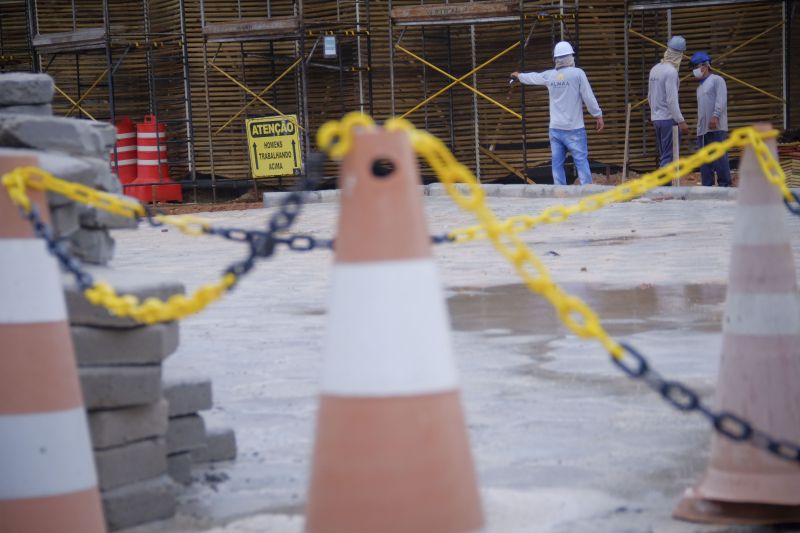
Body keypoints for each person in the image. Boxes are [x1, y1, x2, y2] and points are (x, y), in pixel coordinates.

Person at [510, 41, 604, 185]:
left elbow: (533, 77)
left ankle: (560, 194)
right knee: (581, 162)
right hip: (574, 129)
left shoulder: (550, 76)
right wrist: (597, 115)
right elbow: (588, 97)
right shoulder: (578, 74)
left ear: (556, 59)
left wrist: (519, 76)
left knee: (557, 164)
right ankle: (587, 193)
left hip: (555, 129)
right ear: (570, 57)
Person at [648, 35, 689, 171]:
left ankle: (665, 187)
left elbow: (650, 96)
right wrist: (681, 121)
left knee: (664, 154)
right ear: (680, 55)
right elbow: (672, 100)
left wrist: (654, 114)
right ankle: (664, 188)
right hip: (668, 119)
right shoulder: (671, 72)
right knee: (668, 157)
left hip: (657, 119)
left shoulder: (655, 69)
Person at [691, 51, 732, 187]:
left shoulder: (717, 80)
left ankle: (724, 185)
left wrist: (715, 116)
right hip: (703, 130)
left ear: (705, 66)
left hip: (717, 127)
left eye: (696, 66)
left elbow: (721, 99)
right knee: (705, 159)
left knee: (720, 157)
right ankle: (707, 185)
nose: (695, 70)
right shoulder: (700, 87)